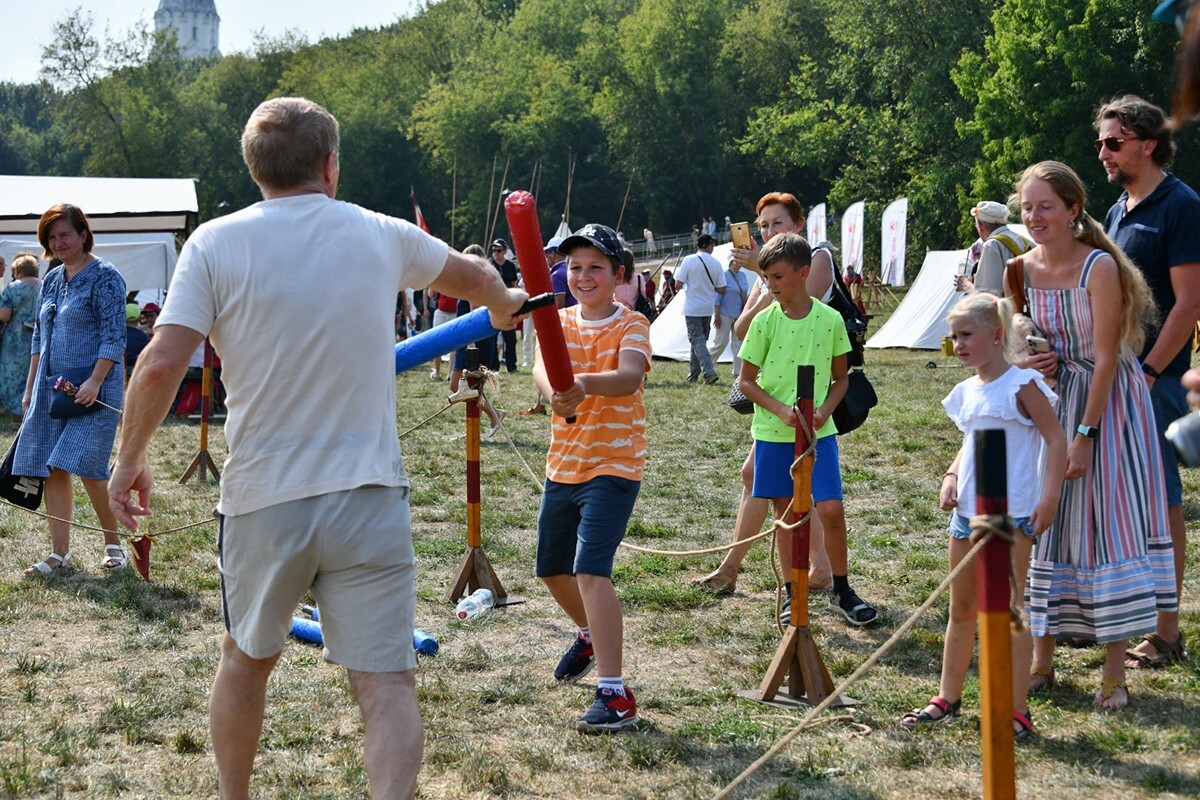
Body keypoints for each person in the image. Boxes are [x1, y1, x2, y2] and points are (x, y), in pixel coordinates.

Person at [106, 97, 526, 798]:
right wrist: (509, 305)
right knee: (387, 681)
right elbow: (480, 283)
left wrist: (129, 462)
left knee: (244, 660)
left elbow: (155, 365)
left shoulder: (214, 242)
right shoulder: (379, 231)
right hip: (367, 493)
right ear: (331, 165)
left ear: (253, 168)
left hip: (264, 497)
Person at [1011, 160, 1175, 710]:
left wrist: (1085, 434)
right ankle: (1041, 661)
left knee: (1109, 526)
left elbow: (1107, 359)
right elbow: (1019, 337)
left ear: (1073, 209)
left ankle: (1114, 673)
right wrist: (1034, 355)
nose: (1035, 217)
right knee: (1046, 521)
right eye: (1028, 207)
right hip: (1051, 403)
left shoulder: (1097, 266)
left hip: (1108, 407)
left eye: (1046, 206)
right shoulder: (1018, 269)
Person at [901, 293, 1065, 739]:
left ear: (996, 336)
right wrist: (952, 474)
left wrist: (1048, 499)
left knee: (1010, 612)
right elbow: (972, 441)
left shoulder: (1021, 386)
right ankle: (947, 697)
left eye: (967, 335)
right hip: (966, 514)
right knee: (962, 610)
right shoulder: (967, 391)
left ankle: (1015, 708)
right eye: (954, 337)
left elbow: (1056, 440)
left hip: (1008, 518)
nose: (958, 344)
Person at [1091, 96, 1200, 670]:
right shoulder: (1117, 210)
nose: (1103, 152)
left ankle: (1166, 631)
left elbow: (1188, 303)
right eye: (1101, 143)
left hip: (1154, 378)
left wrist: (1152, 369)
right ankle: (1118, 618)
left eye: (1114, 142)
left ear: (1148, 143)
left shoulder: (1180, 206)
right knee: (1122, 499)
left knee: (1161, 501)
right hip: (1117, 374)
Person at [532, 223, 651, 733]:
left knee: (590, 571)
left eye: (596, 267)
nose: (583, 276)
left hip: (615, 465)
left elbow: (629, 379)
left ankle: (614, 692)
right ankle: (587, 633)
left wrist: (581, 384)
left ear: (618, 275)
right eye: (575, 266)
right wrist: (553, 387)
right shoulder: (555, 320)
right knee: (551, 569)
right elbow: (540, 366)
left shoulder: (633, 324)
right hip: (564, 463)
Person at [690, 192, 834, 605]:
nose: (769, 232)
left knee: (789, 481)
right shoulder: (764, 274)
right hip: (774, 394)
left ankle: (735, 570)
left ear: (798, 225)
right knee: (773, 477)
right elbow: (742, 330)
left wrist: (764, 274)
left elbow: (802, 301)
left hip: (808, 395)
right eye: (764, 225)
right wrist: (766, 276)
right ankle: (815, 569)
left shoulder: (818, 257)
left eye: (778, 223)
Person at [736, 232, 876, 627]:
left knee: (830, 508)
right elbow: (747, 382)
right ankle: (792, 591)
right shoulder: (764, 322)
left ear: (803, 273)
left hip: (820, 433)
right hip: (773, 434)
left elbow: (841, 380)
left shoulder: (829, 319)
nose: (771, 286)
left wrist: (824, 412)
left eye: (778, 277)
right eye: (766, 279)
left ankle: (842, 589)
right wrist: (781, 410)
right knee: (786, 514)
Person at [17, 204, 127, 576]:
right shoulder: (50, 279)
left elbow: (115, 336)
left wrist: (95, 380)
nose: (58, 242)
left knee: (88, 466)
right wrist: (30, 388)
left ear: (83, 234)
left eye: (64, 234)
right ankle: (59, 553)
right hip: (52, 388)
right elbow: (38, 340)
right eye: (51, 237)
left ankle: (114, 543)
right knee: (52, 468)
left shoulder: (106, 277)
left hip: (96, 388)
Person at [672, 233, 725, 384]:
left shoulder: (688, 260)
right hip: (707, 308)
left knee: (697, 340)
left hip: (692, 307)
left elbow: (677, 285)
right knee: (698, 341)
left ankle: (709, 371)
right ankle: (693, 374)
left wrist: (691, 285)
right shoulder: (716, 263)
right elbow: (721, 289)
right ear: (709, 246)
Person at [954, 201, 1032, 295]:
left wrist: (965, 285)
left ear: (980, 225)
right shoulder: (1023, 240)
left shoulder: (991, 245)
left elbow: (988, 298)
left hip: (1008, 309)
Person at [0, 252, 41, 427]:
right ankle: (31, 418)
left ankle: (16, 419)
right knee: (33, 378)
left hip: (14, 341)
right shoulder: (45, 286)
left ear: (20, 271)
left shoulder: (12, 288)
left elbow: (4, 315)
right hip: (38, 339)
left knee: (12, 377)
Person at [708, 249, 751, 378]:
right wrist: (716, 315)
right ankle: (707, 366)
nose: (739, 263)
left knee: (738, 343)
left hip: (738, 314)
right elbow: (717, 297)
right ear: (731, 262)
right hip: (724, 313)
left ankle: (738, 371)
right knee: (721, 342)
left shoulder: (743, 276)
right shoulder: (724, 275)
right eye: (736, 260)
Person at [489, 238, 520, 373]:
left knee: (510, 338)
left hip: (507, 306)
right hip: (492, 305)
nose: (496, 253)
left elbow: (514, 284)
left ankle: (511, 365)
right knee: (492, 338)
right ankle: (493, 366)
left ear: (505, 251)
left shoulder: (510, 266)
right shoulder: (488, 265)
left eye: (499, 250)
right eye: (494, 250)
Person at [427, 285, 459, 381]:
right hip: (456, 312)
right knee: (455, 345)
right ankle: (450, 374)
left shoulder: (441, 275)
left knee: (437, 342)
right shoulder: (459, 275)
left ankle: (437, 372)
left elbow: (431, 294)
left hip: (442, 311)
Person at [124, 303, 150, 374]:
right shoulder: (143, 336)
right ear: (140, 318)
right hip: (134, 369)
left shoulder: (117, 334)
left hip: (119, 368)